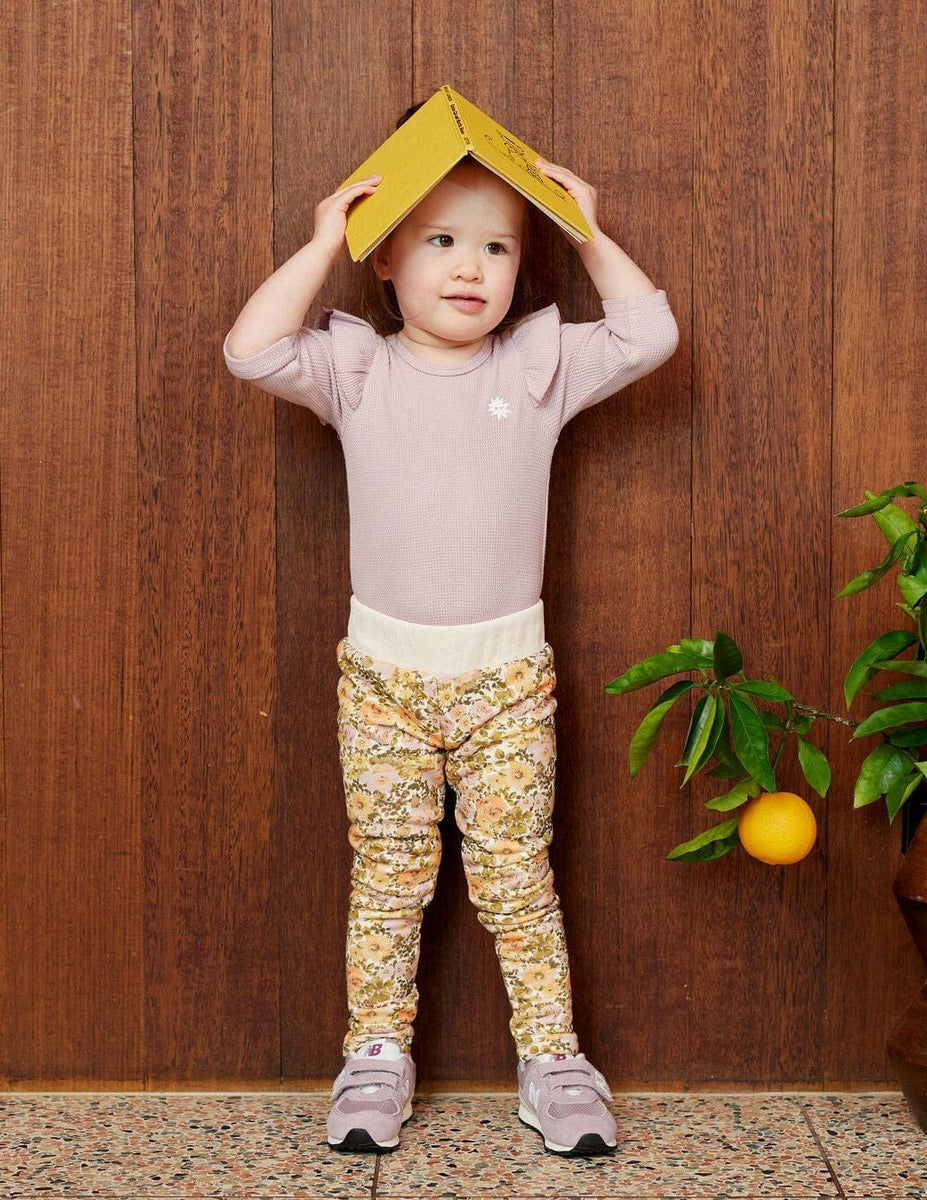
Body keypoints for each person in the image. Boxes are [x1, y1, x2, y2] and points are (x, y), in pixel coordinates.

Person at [223, 117, 678, 1158]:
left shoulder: (535, 365)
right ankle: (376, 1051)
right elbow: (249, 351)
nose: (471, 266)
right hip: (382, 679)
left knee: (518, 876)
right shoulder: (359, 371)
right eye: (438, 240)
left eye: (499, 245)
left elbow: (651, 337)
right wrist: (322, 238)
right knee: (388, 878)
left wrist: (588, 227)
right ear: (384, 256)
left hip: (508, 681)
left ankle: (554, 1059)